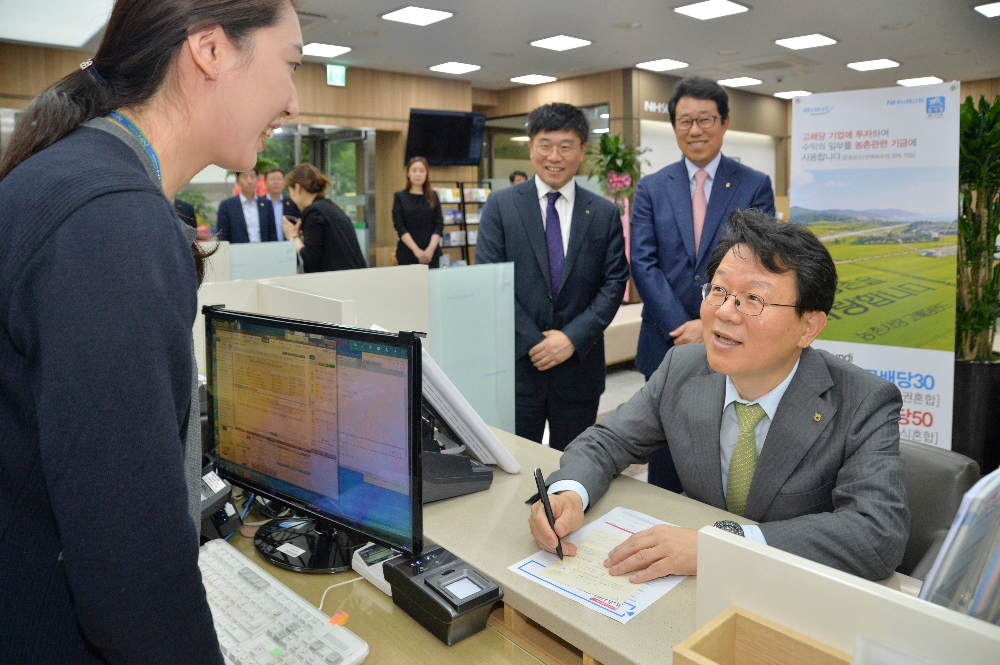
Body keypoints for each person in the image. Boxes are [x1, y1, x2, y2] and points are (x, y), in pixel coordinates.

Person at [0, 0, 301, 661]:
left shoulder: (79, 176)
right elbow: (128, 566)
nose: (293, 102)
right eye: (291, 65)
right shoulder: (112, 222)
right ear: (210, 51)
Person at [528, 210, 909, 582]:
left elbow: (876, 535)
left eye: (753, 299)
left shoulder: (863, 401)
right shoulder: (683, 367)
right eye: (719, 290)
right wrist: (569, 493)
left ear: (808, 326)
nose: (725, 312)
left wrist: (725, 545)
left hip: (788, 591)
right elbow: (606, 442)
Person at [630, 76, 776, 491]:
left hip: (732, 335)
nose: (695, 130)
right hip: (665, 340)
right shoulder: (652, 187)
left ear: (724, 122)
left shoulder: (753, 184)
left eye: (705, 119)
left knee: (725, 450)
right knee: (663, 452)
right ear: (674, 126)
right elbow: (643, 261)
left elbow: (757, 263)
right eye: (685, 121)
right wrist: (683, 326)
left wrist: (707, 323)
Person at [477, 103, 629, 451]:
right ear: (531, 146)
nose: (555, 156)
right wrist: (536, 342)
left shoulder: (603, 212)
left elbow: (614, 282)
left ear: (582, 150)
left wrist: (571, 338)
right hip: (518, 369)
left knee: (574, 467)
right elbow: (490, 281)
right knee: (513, 464)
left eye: (566, 146)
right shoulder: (501, 206)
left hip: (579, 371)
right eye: (545, 145)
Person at [281, 163, 366, 273]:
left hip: (336, 279)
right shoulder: (331, 207)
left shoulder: (313, 212)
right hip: (355, 275)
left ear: (298, 188)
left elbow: (310, 257)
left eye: (290, 191)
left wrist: (293, 236)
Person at [393, 156, 443, 267]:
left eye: (421, 171)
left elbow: (439, 225)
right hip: (407, 253)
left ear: (426, 174)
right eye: (414, 170)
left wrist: (430, 250)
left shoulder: (433, 196)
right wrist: (416, 250)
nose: (418, 174)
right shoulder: (400, 197)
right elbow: (400, 227)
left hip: (432, 254)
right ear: (408, 173)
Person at [215, 166, 278, 243]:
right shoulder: (227, 206)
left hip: (264, 249)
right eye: (244, 177)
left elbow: (272, 233)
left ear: (257, 179)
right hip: (238, 249)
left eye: (252, 176)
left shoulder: (266, 204)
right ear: (237, 181)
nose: (249, 181)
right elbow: (222, 236)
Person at [264, 166, 299, 240]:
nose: (276, 182)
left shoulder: (292, 203)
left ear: (284, 182)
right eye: (272, 179)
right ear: (265, 182)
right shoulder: (260, 203)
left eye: (279, 179)